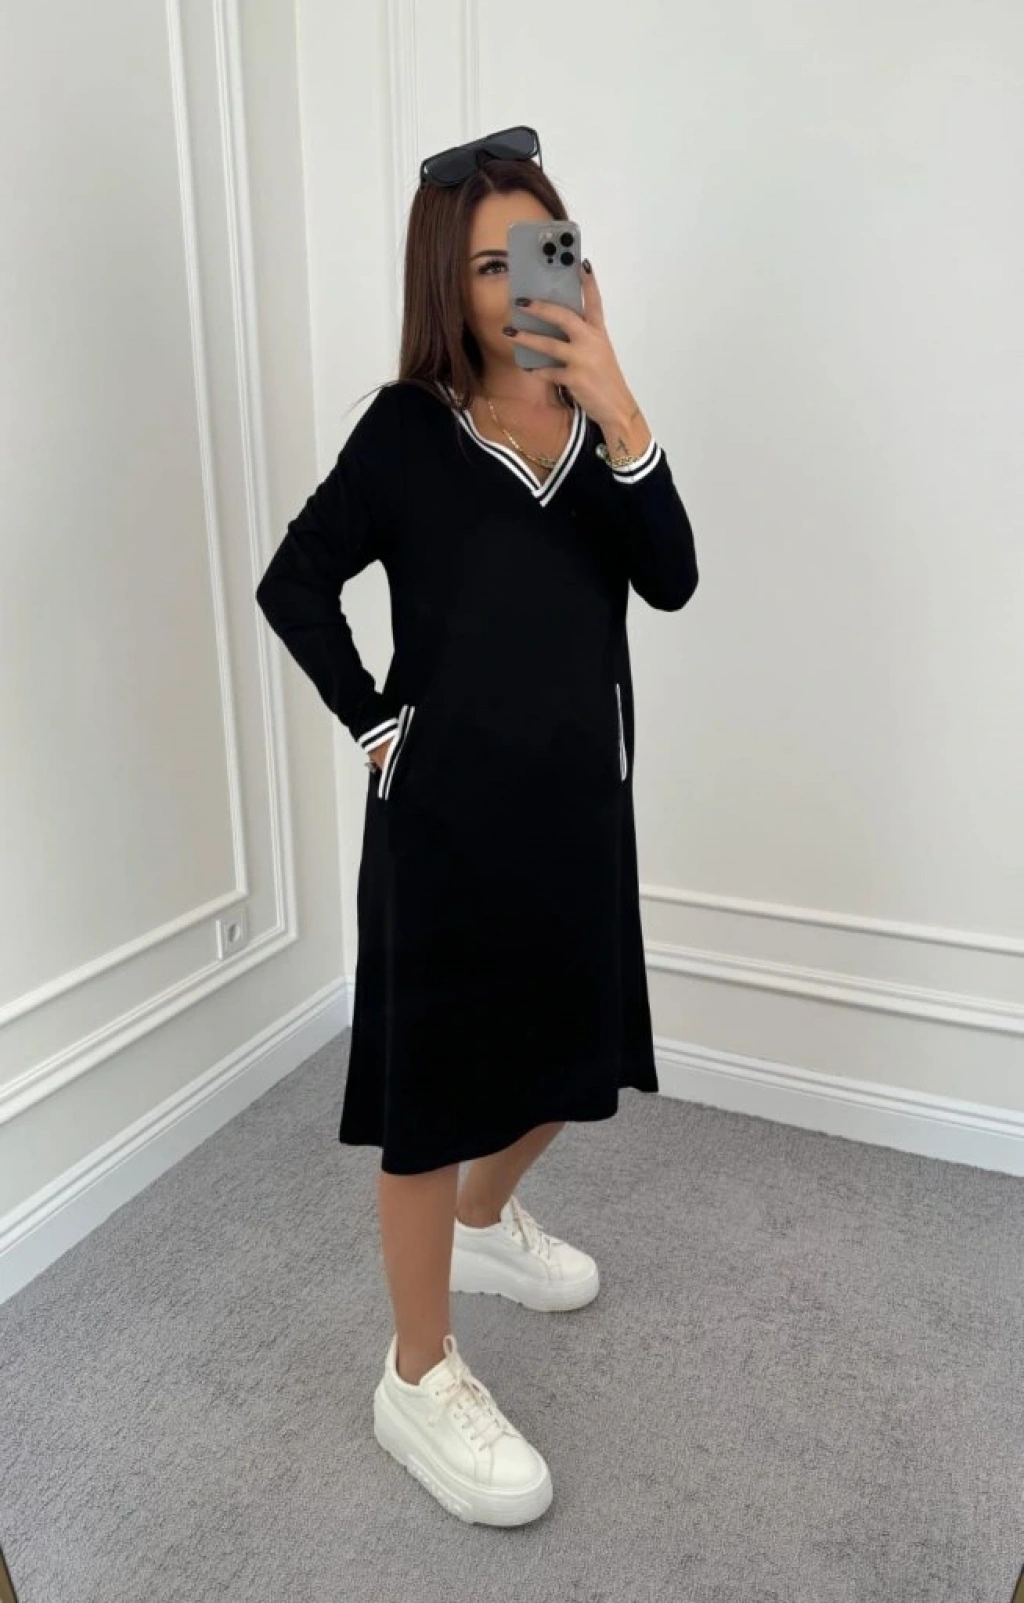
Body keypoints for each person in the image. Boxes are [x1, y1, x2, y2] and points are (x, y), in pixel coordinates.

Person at [255, 126, 699, 1527]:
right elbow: (293, 582)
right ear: (446, 282)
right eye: (488, 263)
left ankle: (486, 1219)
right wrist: (376, 723)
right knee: (430, 1106)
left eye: (541, 254)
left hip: (579, 815)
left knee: (576, 1060)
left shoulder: (597, 437)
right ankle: (417, 1371)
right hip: (441, 829)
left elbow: (674, 580)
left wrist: (619, 402)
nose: (518, 285)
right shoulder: (405, 434)